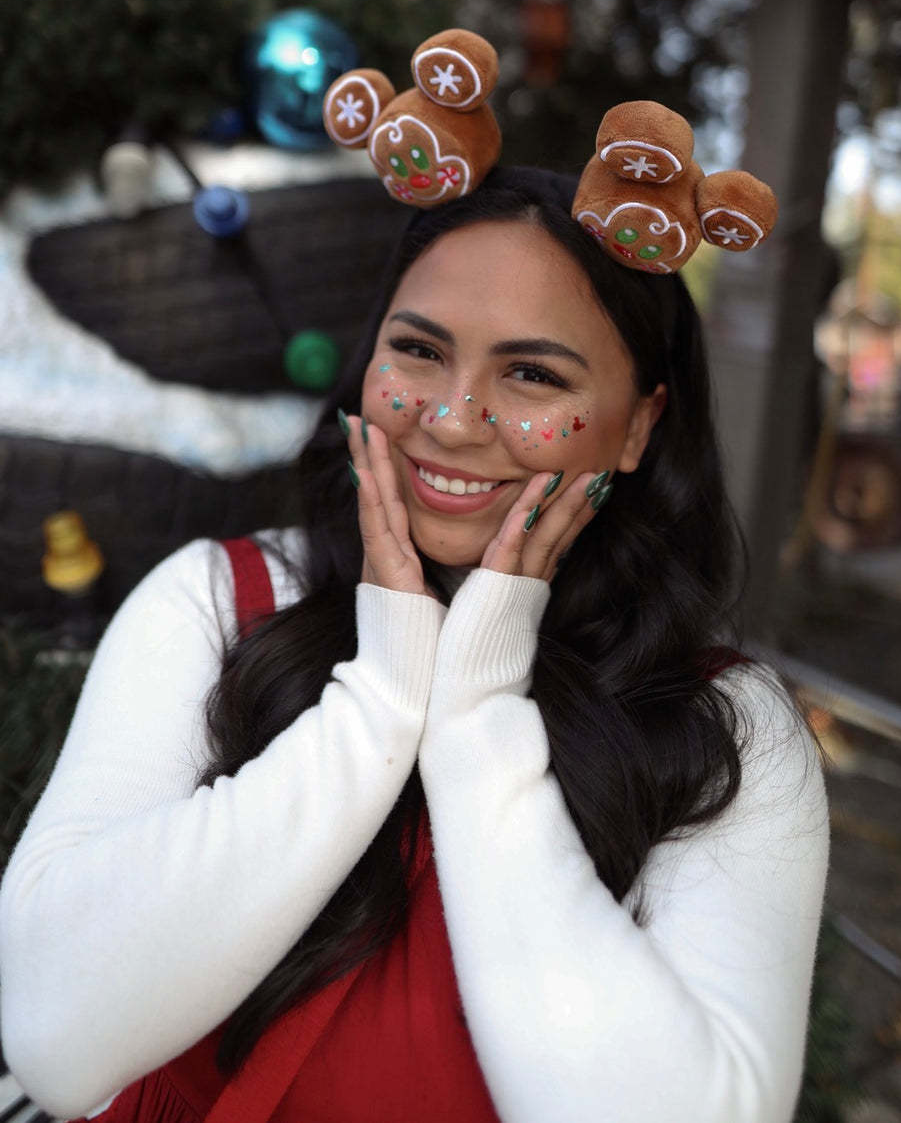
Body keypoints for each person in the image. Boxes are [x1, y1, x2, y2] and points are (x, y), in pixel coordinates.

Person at [0, 166, 829, 1123]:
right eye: (419, 350)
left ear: (640, 424)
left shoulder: (728, 726)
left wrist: (479, 712)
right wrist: (382, 696)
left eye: (532, 374)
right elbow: (54, 1039)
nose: (448, 418)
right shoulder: (221, 600)